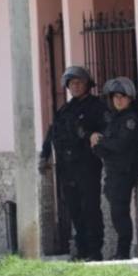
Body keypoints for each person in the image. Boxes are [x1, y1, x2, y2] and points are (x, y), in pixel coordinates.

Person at [39, 66, 109, 261]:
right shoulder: (65, 110)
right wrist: (44, 155)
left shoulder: (97, 106)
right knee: (74, 209)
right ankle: (82, 250)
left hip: (87, 165)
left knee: (90, 208)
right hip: (66, 167)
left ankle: (94, 251)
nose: (75, 86)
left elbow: (106, 129)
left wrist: (93, 136)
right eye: (71, 83)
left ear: (87, 84)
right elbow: (52, 133)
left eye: (79, 82)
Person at [91, 77, 138, 260]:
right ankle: (121, 251)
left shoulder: (130, 120)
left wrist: (101, 141)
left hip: (123, 172)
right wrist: (98, 143)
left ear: (130, 98)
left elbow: (120, 145)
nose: (118, 100)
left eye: (122, 96)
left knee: (120, 213)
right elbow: (100, 150)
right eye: (115, 97)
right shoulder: (114, 119)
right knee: (116, 213)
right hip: (113, 172)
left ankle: (123, 251)